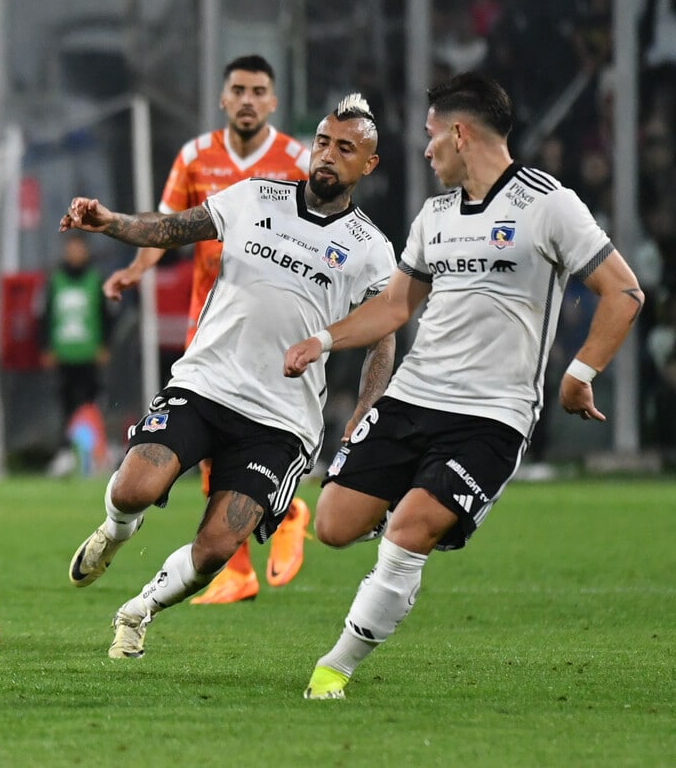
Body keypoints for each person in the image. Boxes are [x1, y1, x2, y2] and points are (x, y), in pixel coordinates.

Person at [283, 72, 645, 700]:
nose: (425, 152)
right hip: (412, 397)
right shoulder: (435, 215)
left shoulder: (549, 204)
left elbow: (625, 290)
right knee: (334, 525)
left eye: (430, 137)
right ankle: (431, 507)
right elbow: (396, 306)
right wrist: (325, 338)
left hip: (491, 415)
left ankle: (334, 668)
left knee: (407, 532)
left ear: (458, 133)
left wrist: (580, 371)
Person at [62, 94, 396, 659]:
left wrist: (365, 410)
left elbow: (383, 337)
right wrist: (111, 223)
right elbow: (172, 231)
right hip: (204, 384)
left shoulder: (371, 249)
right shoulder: (255, 196)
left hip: (282, 420)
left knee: (218, 545)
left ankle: (138, 610)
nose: (327, 155)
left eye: (345, 148)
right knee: (131, 489)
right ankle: (117, 532)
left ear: (368, 165)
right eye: (321, 141)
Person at [103, 54, 314, 604]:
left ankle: (286, 511)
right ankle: (239, 568)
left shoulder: (298, 160)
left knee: (254, 435)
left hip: (277, 327)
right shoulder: (195, 156)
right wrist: (133, 269)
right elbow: (167, 226)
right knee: (213, 436)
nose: (247, 99)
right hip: (211, 322)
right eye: (238, 89)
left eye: (258, 90)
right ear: (223, 98)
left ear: (273, 101)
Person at [40, 232, 112, 477]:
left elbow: (106, 315)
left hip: (89, 353)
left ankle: (91, 455)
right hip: (64, 353)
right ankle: (67, 453)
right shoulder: (55, 279)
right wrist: (46, 347)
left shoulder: (95, 278)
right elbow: (45, 315)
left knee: (89, 405)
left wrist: (105, 345)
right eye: (70, 248)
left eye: (78, 248)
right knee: (65, 405)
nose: (74, 253)